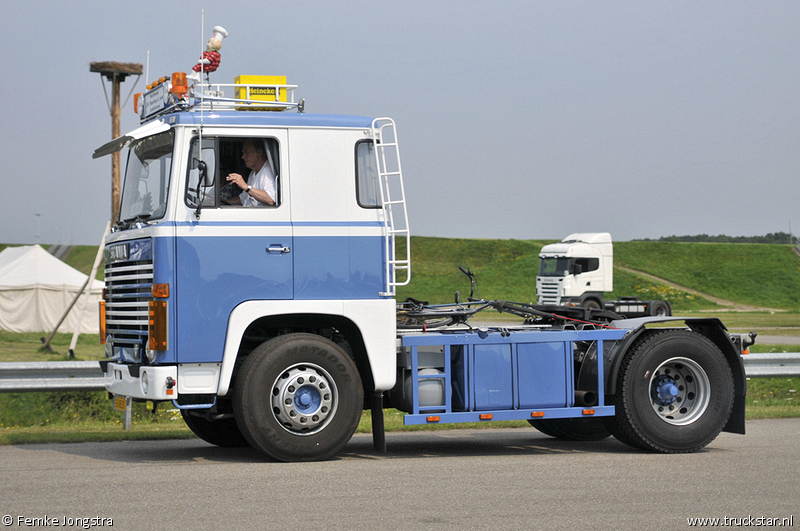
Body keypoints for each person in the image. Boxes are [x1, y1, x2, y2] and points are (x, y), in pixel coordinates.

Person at [224, 139, 277, 206]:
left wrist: (245, 186)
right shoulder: (253, 172)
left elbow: (270, 199)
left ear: (260, 152)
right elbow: (243, 198)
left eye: (247, 152)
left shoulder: (266, 171)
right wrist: (223, 203)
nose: (243, 157)